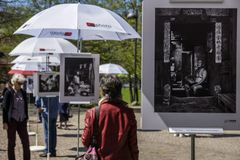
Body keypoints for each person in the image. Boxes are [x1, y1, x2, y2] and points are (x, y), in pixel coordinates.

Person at [82, 75, 139, 160]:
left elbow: (85, 141)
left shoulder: (93, 113)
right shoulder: (128, 113)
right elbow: (133, 144)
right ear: (119, 91)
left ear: (102, 91)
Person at [2, 74, 30, 160]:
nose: (20, 85)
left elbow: (25, 106)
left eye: (21, 83)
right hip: (12, 121)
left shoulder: (23, 92)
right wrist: (5, 122)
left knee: (26, 143)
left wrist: (26, 117)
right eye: (19, 83)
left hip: (22, 120)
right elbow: (5, 108)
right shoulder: (8, 93)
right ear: (14, 82)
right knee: (11, 143)